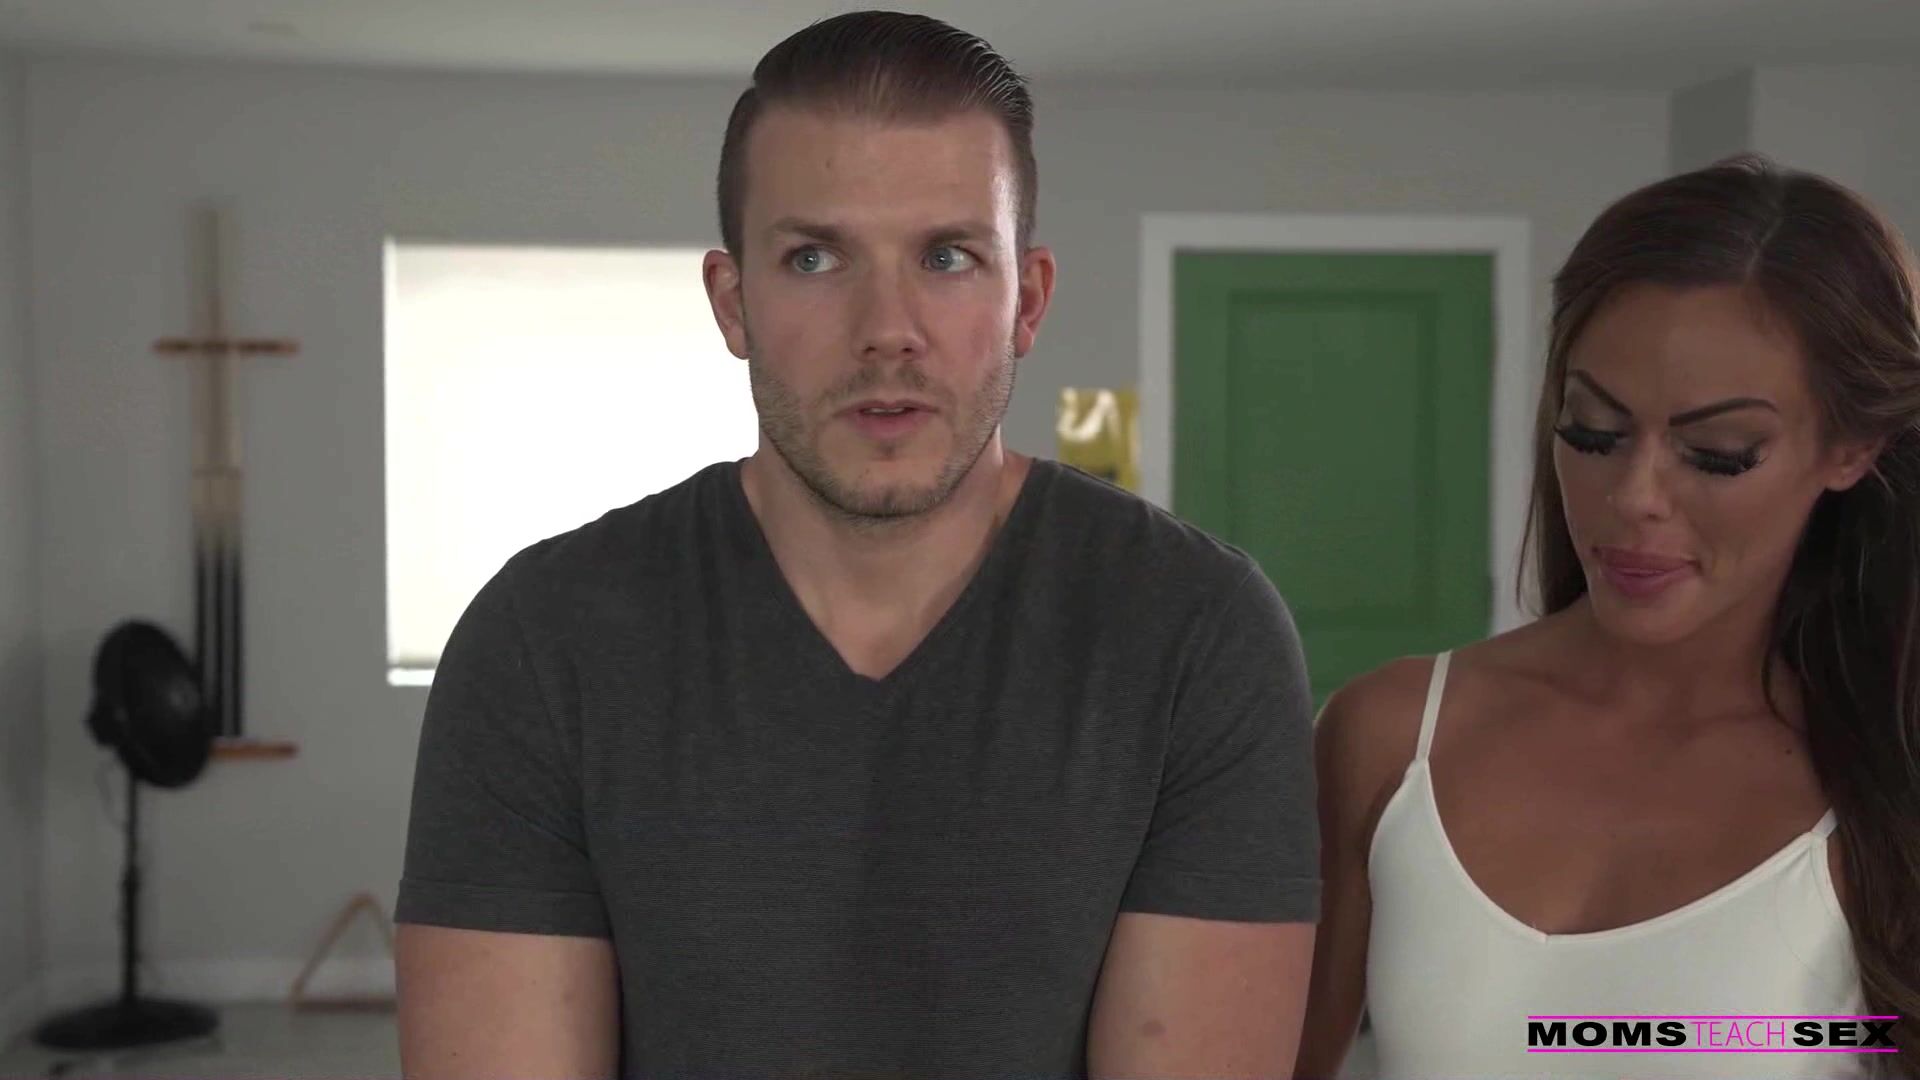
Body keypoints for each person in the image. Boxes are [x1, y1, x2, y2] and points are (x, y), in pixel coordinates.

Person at [392, 11, 1320, 1080]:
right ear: (733, 303)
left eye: (948, 256)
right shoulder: (544, 639)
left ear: (1028, 301)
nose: (887, 328)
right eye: (815, 257)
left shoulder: (1193, 633)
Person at [1296, 153, 1920, 1080]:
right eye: (1593, 432)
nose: (1633, 497)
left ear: (1851, 448)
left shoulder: (1891, 784)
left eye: (1717, 452)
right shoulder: (1389, 740)